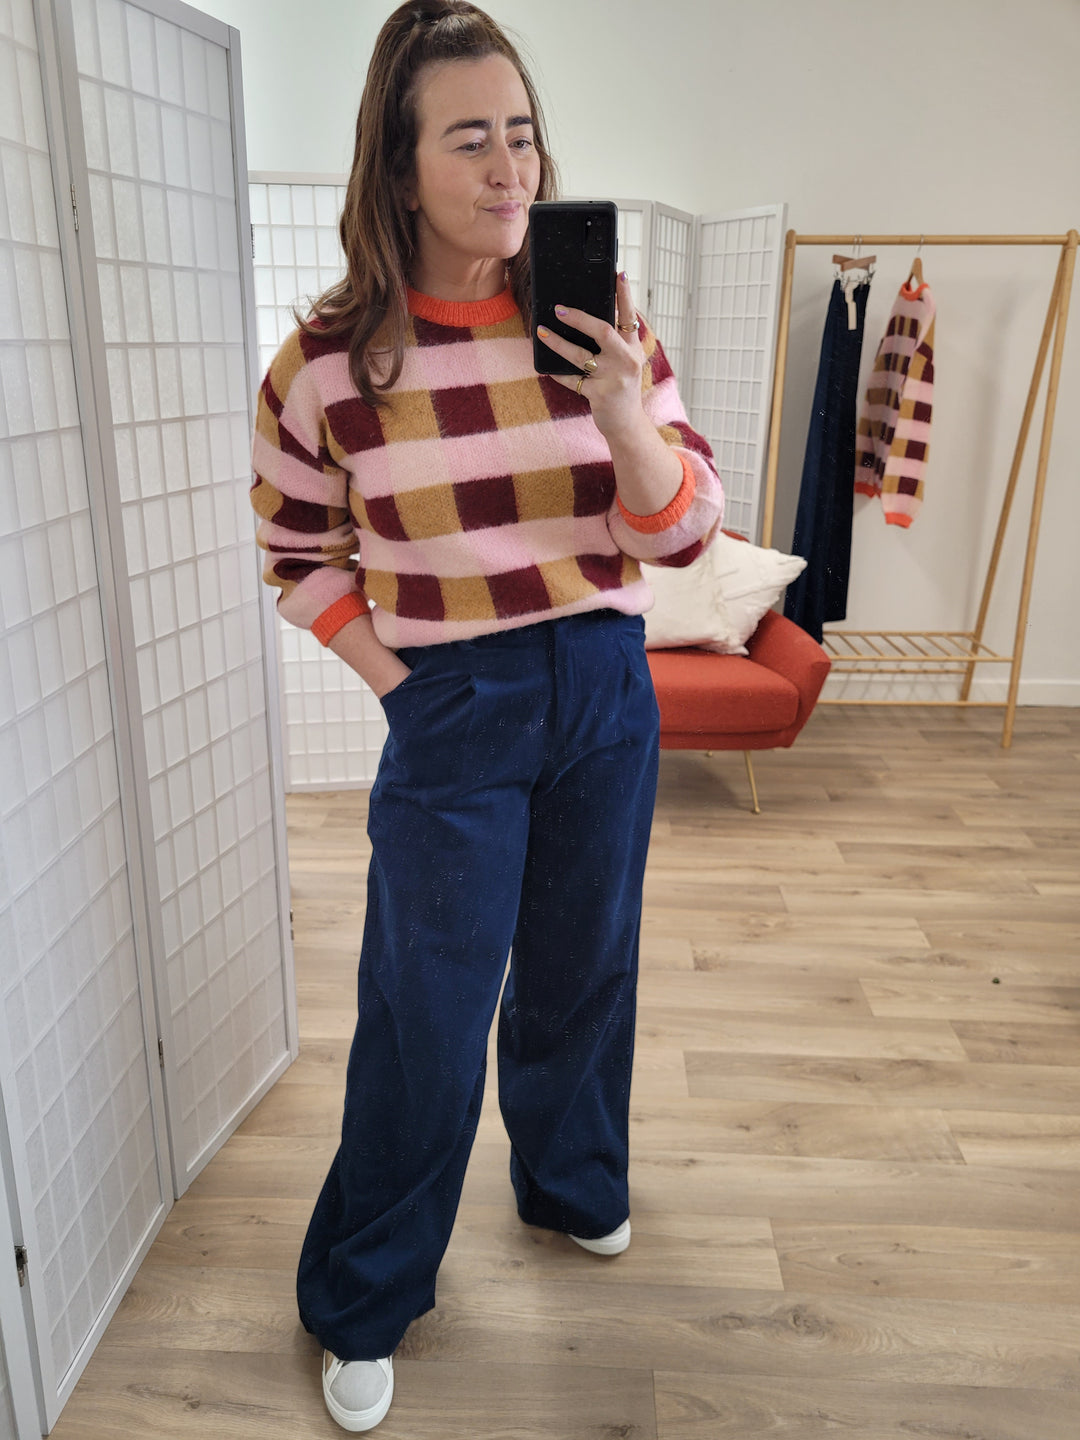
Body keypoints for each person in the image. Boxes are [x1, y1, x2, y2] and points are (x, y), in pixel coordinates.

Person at [249, 1, 723, 1429]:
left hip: (605, 685)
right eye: (469, 139)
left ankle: (570, 1184)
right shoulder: (328, 364)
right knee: (428, 1011)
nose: (511, 167)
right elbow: (296, 551)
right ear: (398, 171)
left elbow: (681, 534)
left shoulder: (601, 319)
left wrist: (627, 412)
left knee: (584, 967)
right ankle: (365, 1294)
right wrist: (405, 689)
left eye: (521, 133)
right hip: (454, 702)